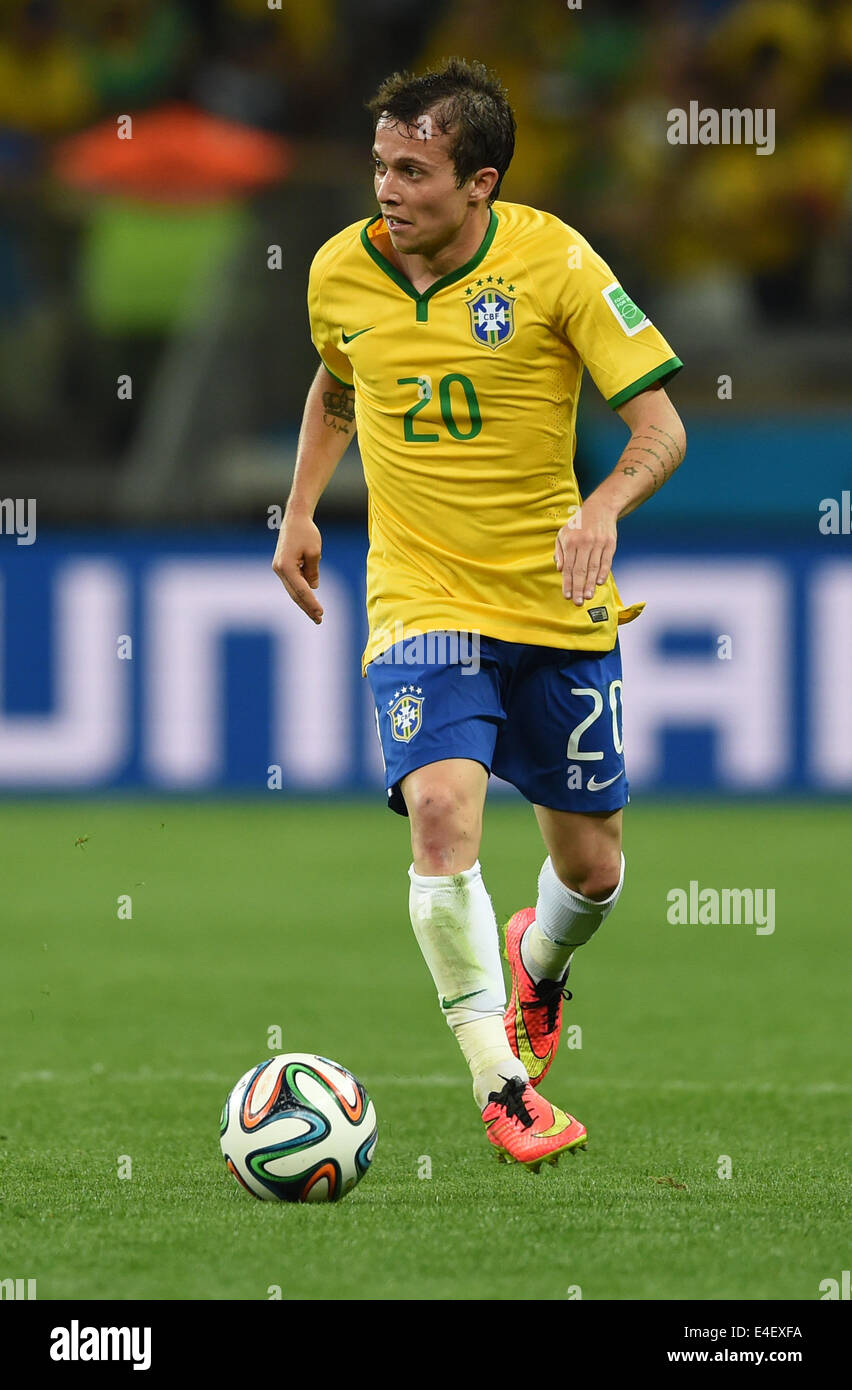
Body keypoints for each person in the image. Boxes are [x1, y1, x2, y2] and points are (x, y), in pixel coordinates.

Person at [273, 57, 686, 1169]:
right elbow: (337, 380)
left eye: (414, 171)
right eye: (379, 166)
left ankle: (540, 960)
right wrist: (302, 507)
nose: (388, 191)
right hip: (421, 598)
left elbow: (661, 426)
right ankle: (500, 1083)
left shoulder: (557, 262)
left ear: (480, 182)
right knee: (443, 816)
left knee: (592, 869)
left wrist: (603, 504)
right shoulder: (338, 274)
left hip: (555, 603)